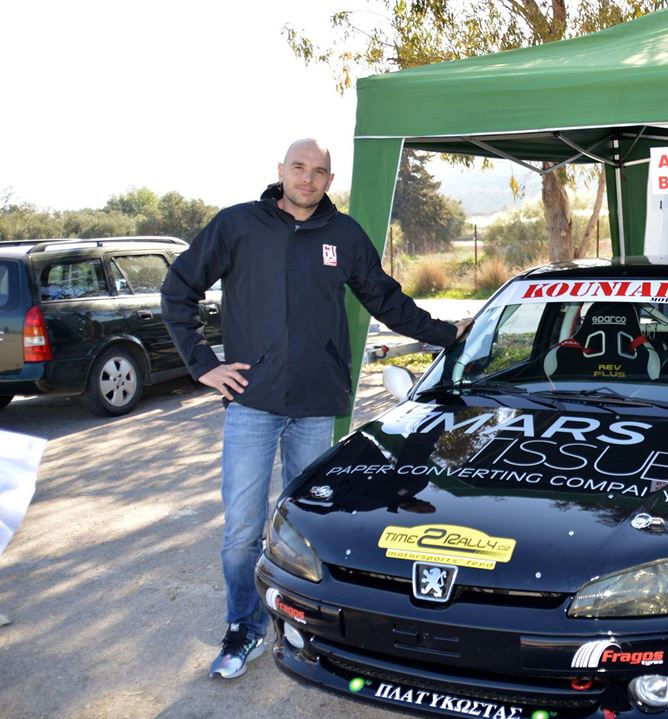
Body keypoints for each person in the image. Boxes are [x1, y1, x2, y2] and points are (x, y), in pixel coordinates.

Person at [162, 139, 471, 680]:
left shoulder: (344, 235)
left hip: (316, 405)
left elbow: (386, 300)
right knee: (242, 529)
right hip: (253, 404)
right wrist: (203, 364)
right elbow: (177, 290)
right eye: (299, 168)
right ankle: (243, 628)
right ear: (280, 171)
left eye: (319, 171)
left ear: (330, 180)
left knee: (310, 528)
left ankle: (308, 625)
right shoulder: (237, 225)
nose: (308, 178)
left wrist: (450, 334)